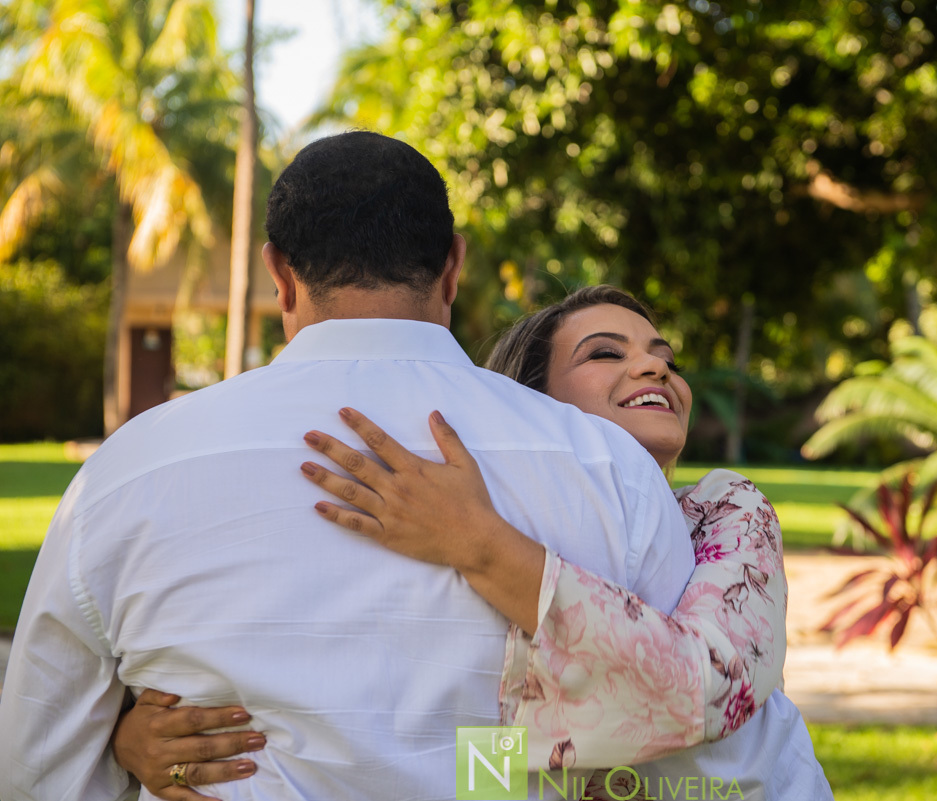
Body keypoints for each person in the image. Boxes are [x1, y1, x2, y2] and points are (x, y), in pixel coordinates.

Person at [0, 132, 697, 801]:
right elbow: (695, 737)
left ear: (279, 273)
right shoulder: (609, 469)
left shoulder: (129, 468)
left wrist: (125, 747)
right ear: (453, 265)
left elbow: (38, 764)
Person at [111, 288, 834, 800]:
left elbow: (701, 689)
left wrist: (479, 543)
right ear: (529, 400)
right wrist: (144, 744)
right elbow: (472, 760)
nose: (653, 368)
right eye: (607, 352)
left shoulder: (726, 511)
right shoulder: (530, 531)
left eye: (662, 355)